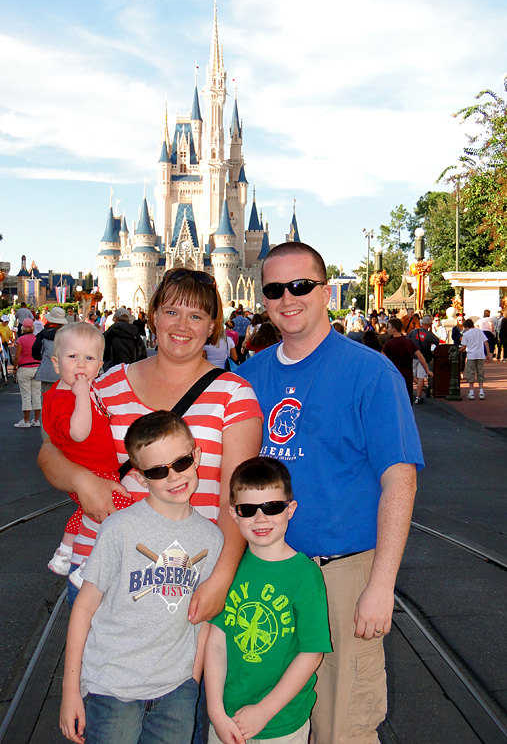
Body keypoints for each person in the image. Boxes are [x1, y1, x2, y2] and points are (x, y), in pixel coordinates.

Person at [237, 242, 423, 744]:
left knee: (344, 725)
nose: (287, 299)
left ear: (324, 291)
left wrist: (380, 585)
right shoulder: (246, 378)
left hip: (339, 576)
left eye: (300, 286)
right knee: (267, 725)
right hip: (267, 578)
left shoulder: (370, 373)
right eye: (275, 289)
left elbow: (398, 480)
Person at [38, 267, 262, 627]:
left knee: (183, 683)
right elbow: (50, 451)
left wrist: (219, 580)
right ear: (153, 315)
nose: (182, 325)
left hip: (186, 576)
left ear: (212, 326)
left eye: (196, 316)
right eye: (172, 312)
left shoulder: (234, 395)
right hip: (104, 568)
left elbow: (235, 499)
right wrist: (83, 480)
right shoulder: (107, 385)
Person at [59, 410, 224, 744]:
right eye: (158, 471)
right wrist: (70, 690)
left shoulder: (212, 538)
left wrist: (191, 681)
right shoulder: (121, 528)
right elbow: (84, 609)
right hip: (111, 688)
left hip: (175, 691)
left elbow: (202, 617)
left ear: (197, 457)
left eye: (181, 462)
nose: (174, 476)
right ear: (140, 477)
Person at [205, 457, 332, 744]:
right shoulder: (231, 566)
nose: (260, 519)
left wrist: (264, 711)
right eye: (248, 510)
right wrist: (215, 710)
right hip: (228, 720)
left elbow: (311, 653)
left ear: (290, 509)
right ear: (233, 514)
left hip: (282, 723)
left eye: (272, 507)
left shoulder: (304, 575)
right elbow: (216, 642)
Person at [42, 322, 134, 591]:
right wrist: (82, 395)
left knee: (88, 514)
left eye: (89, 358)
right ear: (56, 364)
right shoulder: (64, 397)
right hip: (92, 473)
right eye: (73, 357)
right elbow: (79, 433)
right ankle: (88, 568)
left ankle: (65, 551)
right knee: (117, 520)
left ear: (99, 366)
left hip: (102, 470)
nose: (81, 365)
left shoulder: (83, 391)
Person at [383, 317, 432, 404]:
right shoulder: (409, 342)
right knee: (407, 402)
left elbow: (383, 359)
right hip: (408, 376)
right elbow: (420, 356)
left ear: (394, 329)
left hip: (394, 376)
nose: (388, 329)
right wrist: (427, 370)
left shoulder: (388, 344)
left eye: (389, 327)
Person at [32, 306, 69, 396]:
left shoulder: (43, 334)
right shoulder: (69, 335)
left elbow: (35, 353)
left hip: (47, 372)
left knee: (46, 401)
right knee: (62, 402)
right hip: (66, 373)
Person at [12, 318, 42, 428]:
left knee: (26, 395)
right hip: (37, 367)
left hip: (24, 368)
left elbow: (17, 355)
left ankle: (25, 421)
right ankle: (36, 420)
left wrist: (15, 367)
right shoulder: (37, 339)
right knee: (37, 394)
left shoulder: (21, 340)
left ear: (23, 328)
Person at [408, 315, 439, 404]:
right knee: (421, 377)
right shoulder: (429, 335)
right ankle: (418, 397)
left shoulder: (413, 332)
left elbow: (408, 340)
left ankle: (422, 387)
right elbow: (437, 341)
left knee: (412, 376)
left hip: (413, 356)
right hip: (423, 358)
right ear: (429, 324)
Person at [460, 318, 491, 399]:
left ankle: (471, 392)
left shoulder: (466, 334)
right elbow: (486, 342)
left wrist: (458, 350)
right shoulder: (480, 332)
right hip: (480, 355)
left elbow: (463, 347)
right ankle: (481, 392)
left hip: (471, 355)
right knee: (480, 372)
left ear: (466, 327)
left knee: (471, 373)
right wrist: (488, 354)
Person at [0, 314, 14, 381]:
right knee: (2, 359)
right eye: (5, 322)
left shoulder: (7, 327)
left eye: (7, 322)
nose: (6, 323)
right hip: (0, 344)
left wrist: (15, 342)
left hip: (5, 344)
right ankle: (1, 372)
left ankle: (5, 372)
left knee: (6, 358)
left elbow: (10, 336)